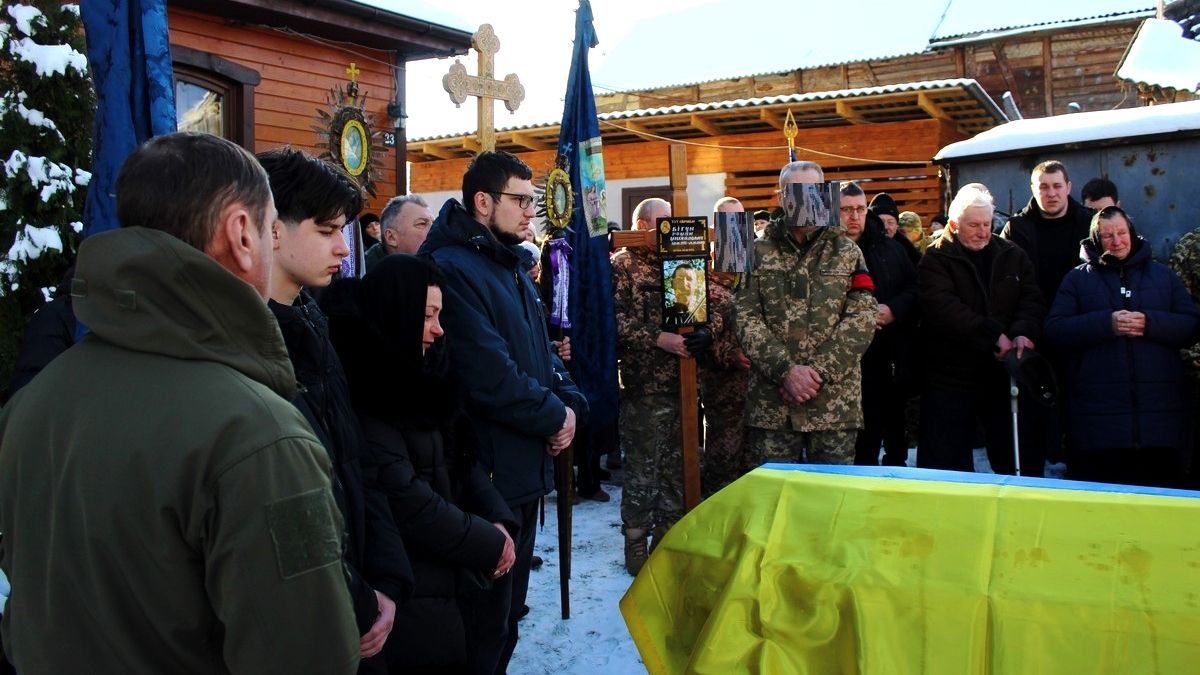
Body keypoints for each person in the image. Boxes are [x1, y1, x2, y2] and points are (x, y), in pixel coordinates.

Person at [0, 132, 360, 673]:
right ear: (242, 234)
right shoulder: (256, 435)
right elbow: (308, 654)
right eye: (268, 229)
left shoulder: (36, 401)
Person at [420, 150, 586, 672]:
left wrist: (570, 406)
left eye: (532, 201)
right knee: (483, 623)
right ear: (483, 201)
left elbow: (541, 356)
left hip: (525, 464)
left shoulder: (510, 264)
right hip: (486, 471)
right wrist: (553, 417)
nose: (529, 212)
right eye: (519, 200)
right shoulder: (452, 267)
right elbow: (488, 373)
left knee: (509, 615)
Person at [323, 254, 518, 673]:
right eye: (428, 314)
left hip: (452, 576)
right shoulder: (368, 388)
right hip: (413, 589)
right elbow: (404, 497)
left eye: (440, 314)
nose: (439, 328)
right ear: (398, 311)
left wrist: (498, 519)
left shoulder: (432, 375)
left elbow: (465, 460)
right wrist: (487, 542)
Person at [258, 146, 410, 673]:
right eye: (327, 231)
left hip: (360, 589)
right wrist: (355, 596)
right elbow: (286, 511)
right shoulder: (251, 342)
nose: (345, 249)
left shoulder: (315, 320)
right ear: (273, 229)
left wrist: (386, 578)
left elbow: (356, 461)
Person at [733, 161, 877, 466]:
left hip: (833, 407)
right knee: (772, 500)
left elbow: (862, 318)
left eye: (812, 190)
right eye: (795, 191)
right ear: (782, 197)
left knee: (831, 501)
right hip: (773, 406)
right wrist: (786, 371)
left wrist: (816, 374)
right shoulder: (755, 251)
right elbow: (744, 316)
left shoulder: (847, 251)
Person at [1045, 207, 1200, 487]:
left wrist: (1150, 323)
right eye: (1107, 235)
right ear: (1095, 239)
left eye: (1121, 233)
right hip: (1099, 426)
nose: (1116, 241)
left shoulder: (1164, 277)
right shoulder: (1078, 279)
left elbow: (1190, 325)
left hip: (1160, 424)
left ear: (1131, 233)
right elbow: (1056, 330)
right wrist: (1107, 324)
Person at [917, 183, 1045, 475]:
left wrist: (1024, 331)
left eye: (987, 224)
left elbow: (1031, 299)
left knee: (1013, 456)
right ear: (954, 224)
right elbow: (944, 309)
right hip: (950, 373)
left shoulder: (1011, 254)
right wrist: (991, 334)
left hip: (1003, 372)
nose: (983, 232)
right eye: (973, 225)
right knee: (947, 462)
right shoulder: (935, 258)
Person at [612, 197, 710, 573]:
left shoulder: (685, 263)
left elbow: (704, 312)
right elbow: (615, 323)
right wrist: (658, 338)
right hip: (645, 386)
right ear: (642, 226)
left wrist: (704, 333)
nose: (673, 228)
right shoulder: (622, 266)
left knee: (678, 468)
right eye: (665, 221)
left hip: (684, 387)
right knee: (642, 469)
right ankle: (636, 542)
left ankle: (669, 538)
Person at [841, 182, 918, 467]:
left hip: (885, 353)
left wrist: (893, 309)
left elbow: (914, 287)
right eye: (846, 210)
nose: (853, 216)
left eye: (859, 209)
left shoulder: (890, 248)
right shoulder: (826, 249)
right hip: (843, 358)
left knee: (888, 420)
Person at [700, 197, 752, 496]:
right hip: (722, 388)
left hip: (760, 388)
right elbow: (694, 332)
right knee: (722, 466)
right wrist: (728, 354)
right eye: (726, 221)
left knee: (756, 466)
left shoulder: (758, 272)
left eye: (739, 220)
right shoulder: (701, 274)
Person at [365, 194, 434, 272]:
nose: (433, 229)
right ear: (391, 237)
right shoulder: (369, 278)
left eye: (434, 223)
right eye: (422, 224)